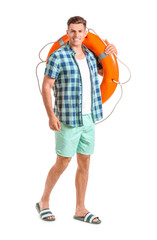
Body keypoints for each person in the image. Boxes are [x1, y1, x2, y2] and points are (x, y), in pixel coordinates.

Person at [36, 16, 117, 224]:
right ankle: (43, 201)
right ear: (67, 32)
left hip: (89, 118)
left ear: (85, 33)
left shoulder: (91, 55)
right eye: (72, 31)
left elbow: (104, 72)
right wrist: (50, 115)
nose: (76, 35)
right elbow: (47, 86)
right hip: (68, 118)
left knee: (85, 162)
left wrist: (110, 53)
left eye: (80, 31)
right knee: (63, 161)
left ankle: (80, 209)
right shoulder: (57, 56)